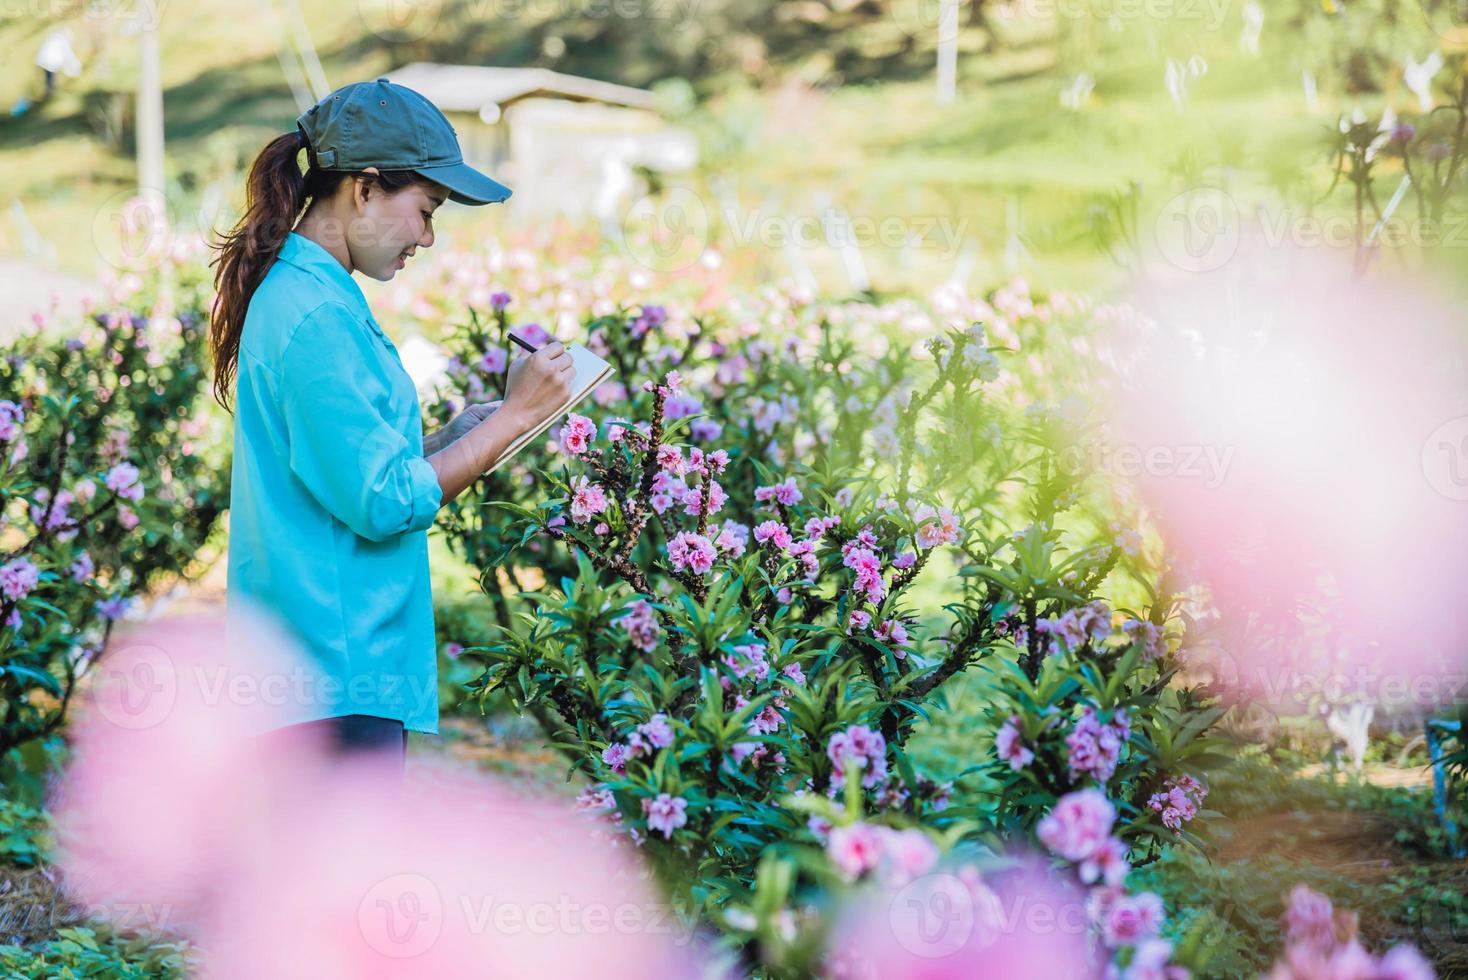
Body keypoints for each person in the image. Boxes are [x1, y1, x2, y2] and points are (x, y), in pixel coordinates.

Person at [208, 78, 573, 779]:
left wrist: (458, 435)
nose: (428, 237)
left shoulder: (312, 293)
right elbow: (384, 502)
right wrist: (519, 417)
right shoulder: (315, 315)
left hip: (322, 665)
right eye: (427, 210)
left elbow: (341, 474)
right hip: (331, 673)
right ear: (366, 189)